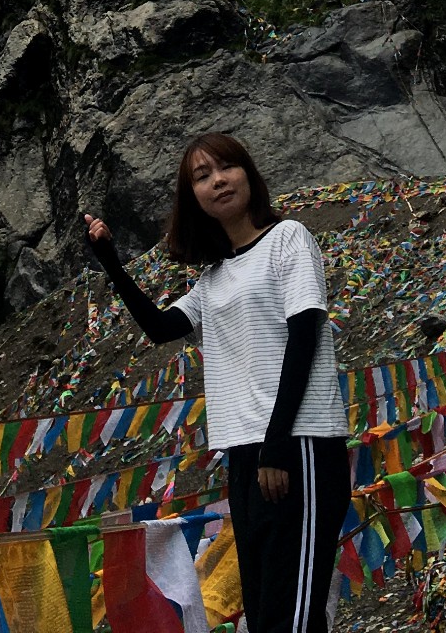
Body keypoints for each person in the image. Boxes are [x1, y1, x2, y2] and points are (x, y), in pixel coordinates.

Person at [83, 131, 352, 633]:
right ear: (194, 200)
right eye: (201, 177)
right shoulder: (213, 278)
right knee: (267, 606)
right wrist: (111, 262)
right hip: (244, 450)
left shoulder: (288, 239)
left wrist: (277, 446)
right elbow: (162, 327)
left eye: (225, 167)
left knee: (292, 608)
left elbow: (304, 337)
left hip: (298, 444)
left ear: (248, 173)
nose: (218, 181)